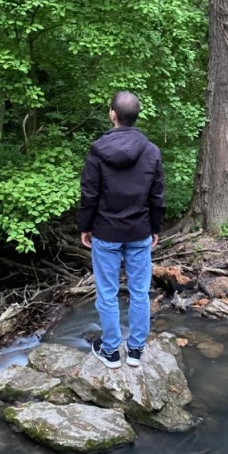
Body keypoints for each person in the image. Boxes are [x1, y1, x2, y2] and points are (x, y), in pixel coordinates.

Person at [77, 91, 165, 369]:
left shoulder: (97, 150)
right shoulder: (151, 151)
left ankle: (111, 350)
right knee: (139, 292)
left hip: (106, 231)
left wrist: (85, 226)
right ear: (136, 115)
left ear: (112, 114)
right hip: (139, 231)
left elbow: (89, 194)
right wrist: (155, 227)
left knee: (107, 292)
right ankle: (136, 350)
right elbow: (157, 196)